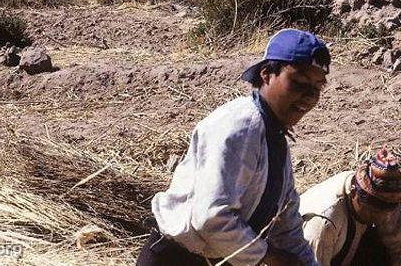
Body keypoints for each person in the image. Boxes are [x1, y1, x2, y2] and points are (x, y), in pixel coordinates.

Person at [137, 28, 330, 266]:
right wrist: (269, 256)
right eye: (298, 82)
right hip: (177, 259)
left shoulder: (275, 138)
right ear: (267, 74)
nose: (309, 96)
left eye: (317, 87)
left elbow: (286, 225)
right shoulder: (240, 126)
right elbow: (210, 218)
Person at [299, 148, 401, 266]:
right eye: (374, 211)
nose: (383, 217)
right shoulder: (324, 223)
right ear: (353, 193)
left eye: (386, 210)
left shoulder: (387, 201)